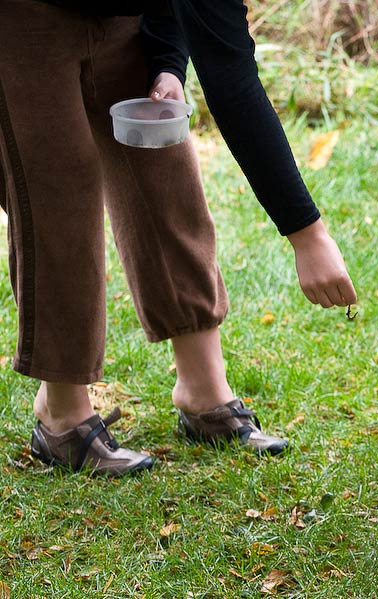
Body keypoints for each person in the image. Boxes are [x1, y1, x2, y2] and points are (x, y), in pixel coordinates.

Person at [0, 0, 357, 475]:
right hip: (20, 17)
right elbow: (232, 84)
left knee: (164, 162)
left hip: (118, 19)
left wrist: (168, 63)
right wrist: (307, 234)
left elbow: (213, 48)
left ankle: (202, 390)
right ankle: (61, 415)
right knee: (59, 189)